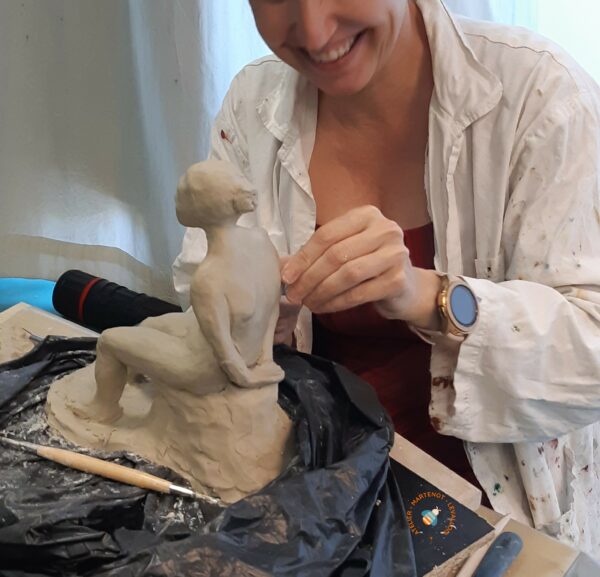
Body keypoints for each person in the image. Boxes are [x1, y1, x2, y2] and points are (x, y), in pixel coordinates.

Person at [173, 0, 600, 557]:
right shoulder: (253, 104)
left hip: (487, 519)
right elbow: (199, 299)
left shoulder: (541, 98)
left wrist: (426, 295)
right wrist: (258, 322)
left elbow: (591, 354)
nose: (315, 32)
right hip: (320, 502)